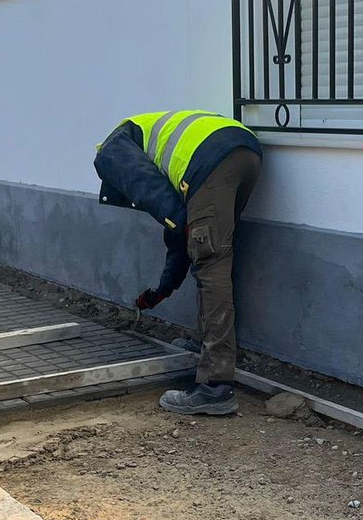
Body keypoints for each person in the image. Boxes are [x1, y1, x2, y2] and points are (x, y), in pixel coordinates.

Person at [94, 111, 262, 416]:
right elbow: (179, 233)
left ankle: (215, 386)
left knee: (211, 264)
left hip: (211, 162)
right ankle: (206, 349)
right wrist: (163, 290)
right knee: (212, 255)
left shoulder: (111, 149)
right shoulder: (149, 132)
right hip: (243, 151)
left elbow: (155, 197)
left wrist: (188, 230)